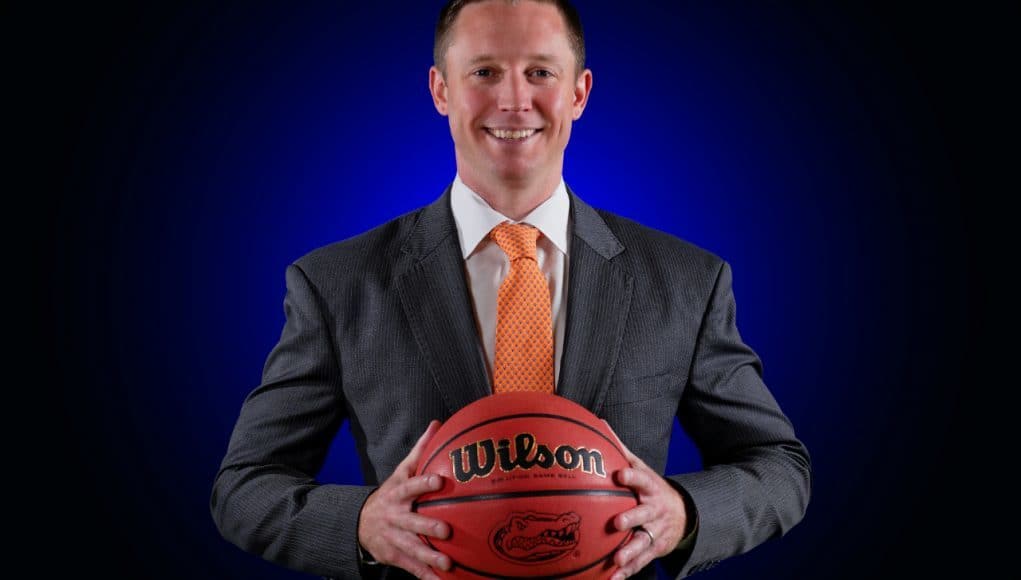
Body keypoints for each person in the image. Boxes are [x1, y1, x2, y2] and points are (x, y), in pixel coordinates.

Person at [210, 1, 811, 578]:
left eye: (540, 72)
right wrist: (361, 524)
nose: (513, 99)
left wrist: (684, 513)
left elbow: (780, 468)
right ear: (441, 89)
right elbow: (246, 486)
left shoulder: (685, 281)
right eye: (485, 71)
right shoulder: (338, 283)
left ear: (579, 92)